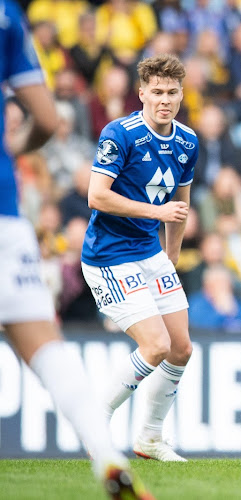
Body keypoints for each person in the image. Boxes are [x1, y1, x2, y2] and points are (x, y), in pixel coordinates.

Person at [0, 1, 152, 498]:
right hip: (4, 214)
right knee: (45, 343)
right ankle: (106, 457)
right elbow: (44, 117)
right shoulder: (6, 14)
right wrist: (14, 151)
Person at [83, 53, 199, 462]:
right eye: (156, 92)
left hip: (151, 254)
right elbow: (96, 195)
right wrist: (156, 213)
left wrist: (171, 255)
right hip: (109, 255)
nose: (164, 100)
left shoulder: (187, 141)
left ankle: (149, 438)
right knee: (155, 345)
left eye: (172, 92)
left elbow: (180, 206)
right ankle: (93, 418)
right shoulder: (120, 134)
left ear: (182, 94)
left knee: (181, 348)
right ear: (141, 93)